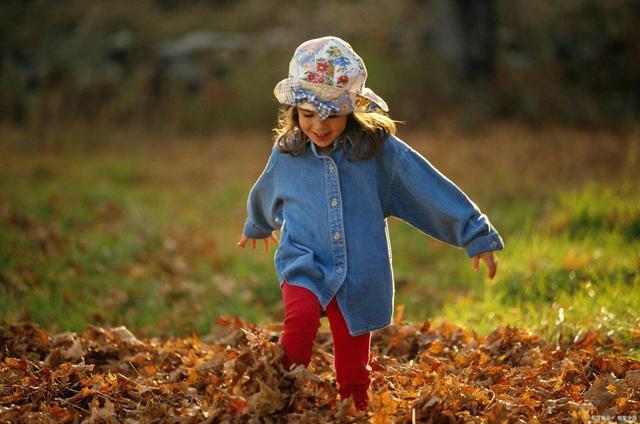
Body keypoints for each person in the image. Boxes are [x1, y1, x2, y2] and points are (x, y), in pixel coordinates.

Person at [237, 36, 503, 410]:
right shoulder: (288, 152)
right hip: (303, 261)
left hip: (358, 272)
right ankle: (278, 399)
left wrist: (475, 234)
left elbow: (426, 186)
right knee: (300, 323)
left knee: (353, 364)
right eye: (308, 114)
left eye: (330, 114)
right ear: (294, 111)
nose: (319, 125)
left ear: (351, 109)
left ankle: (354, 409)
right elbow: (267, 189)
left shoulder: (377, 151)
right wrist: (258, 224)